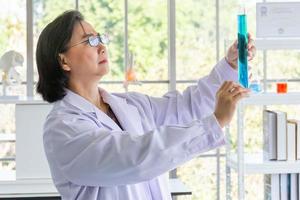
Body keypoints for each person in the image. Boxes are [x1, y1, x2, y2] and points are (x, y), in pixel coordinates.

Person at [36, 10, 255, 200]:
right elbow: (134, 158)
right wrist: (215, 122)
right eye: (89, 41)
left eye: (100, 37)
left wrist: (230, 65)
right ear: (63, 61)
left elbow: (186, 108)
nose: (102, 46)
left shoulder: (131, 105)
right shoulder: (62, 128)